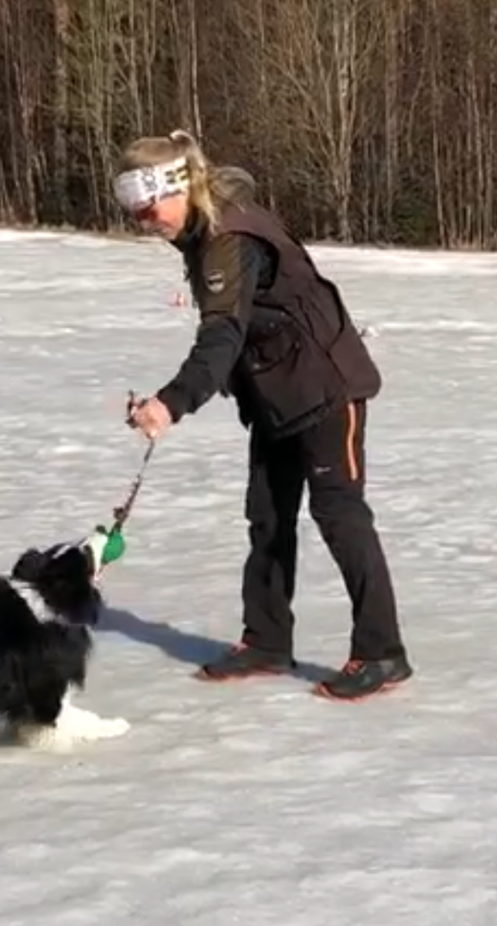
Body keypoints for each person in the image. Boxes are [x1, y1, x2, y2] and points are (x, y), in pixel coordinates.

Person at [111, 129, 412, 701]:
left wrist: (171, 403)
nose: (143, 223)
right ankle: (268, 640)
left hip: (328, 387)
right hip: (276, 392)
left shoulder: (228, 238)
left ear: (177, 187)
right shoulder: (204, 230)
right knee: (268, 516)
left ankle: (383, 652)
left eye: (147, 209)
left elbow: (222, 335)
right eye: (133, 215)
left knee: (340, 514)